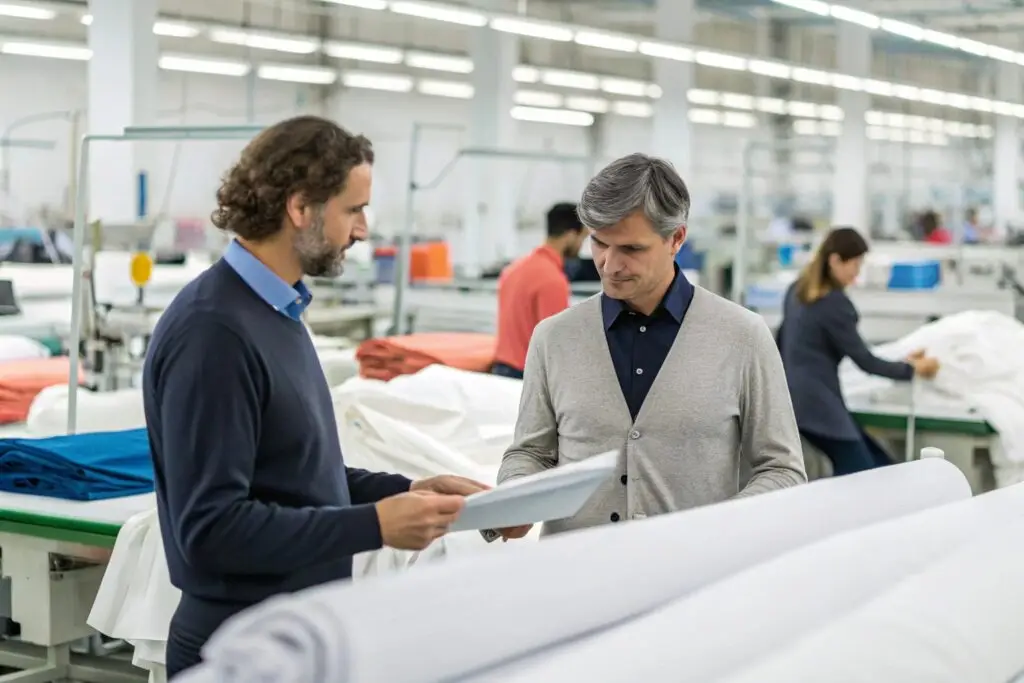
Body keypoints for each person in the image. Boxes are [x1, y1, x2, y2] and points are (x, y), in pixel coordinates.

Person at [142, 116, 488, 677]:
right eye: (353, 210)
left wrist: (410, 492)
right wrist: (375, 525)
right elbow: (212, 529)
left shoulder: (277, 312)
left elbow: (294, 474)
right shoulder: (215, 333)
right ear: (301, 208)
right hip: (239, 650)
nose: (363, 230)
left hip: (292, 636)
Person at [495, 153, 806, 541]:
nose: (609, 265)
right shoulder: (554, 338)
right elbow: (530, 453)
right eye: (599, 244)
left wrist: (725, 523)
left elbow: (782, 469)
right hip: (574, 578)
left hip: (691, 579)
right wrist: (514, 495)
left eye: (631, 249)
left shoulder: (742, 336)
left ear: (676, 238)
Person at [777, 227, 940, 476]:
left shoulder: (795, 291)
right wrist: (914, 369)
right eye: (855, 264)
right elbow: (865, 361)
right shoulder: (834, 303)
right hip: (819, 409)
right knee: (867, 476)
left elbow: (781, 342)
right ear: (835, 261)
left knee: (877, 465)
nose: (857, 272)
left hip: (793, 404)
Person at [492, 202, 587, 379]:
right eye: (583, 238)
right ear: (571, 235)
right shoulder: (553, 280)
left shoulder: (512, 270)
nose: (582, 246)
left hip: (501, 371)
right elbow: (555, 347)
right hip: (525, 377)